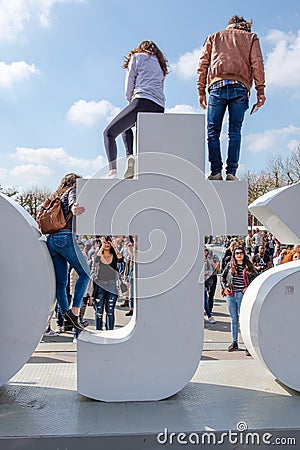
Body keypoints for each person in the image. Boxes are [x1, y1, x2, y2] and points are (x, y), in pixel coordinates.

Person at [197, 15, 266, 181]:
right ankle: (231, 173)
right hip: (240, 88)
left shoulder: (214, 37)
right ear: (245, 27)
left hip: (216, 87)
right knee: (234, 132)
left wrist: (201, 90)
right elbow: (257, 63)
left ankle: (215, 172)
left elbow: (203, 64)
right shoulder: (251, 38)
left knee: (213, 132)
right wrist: (260, 90)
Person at [103, 40, 168, 179]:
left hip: (141, 101)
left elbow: (129, 81)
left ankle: (114, 171)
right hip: (158, 106)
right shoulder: (161, 66)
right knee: (127, 127)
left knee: (109, 133)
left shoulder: (137, 57)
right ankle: (132, 158)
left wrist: (130, 100)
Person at [46, 173, 90, 331]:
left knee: (61, 283)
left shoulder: (55, 196)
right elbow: (73, 201)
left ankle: (66, 318)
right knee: (85, 273)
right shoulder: (72, 190)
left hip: (51, 240)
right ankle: (75, 312)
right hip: (65, 236)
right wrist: (74, 208)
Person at [221, 246, 257, 352]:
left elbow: (256, 278)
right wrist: (225, 288)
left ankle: (248, 345)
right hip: (231, 295)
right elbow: (222, 277)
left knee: (244, 320)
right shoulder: (230, 265)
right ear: (234, 255)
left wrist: (248, 287)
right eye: (237, 253)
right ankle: (234, 342)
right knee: (234, 319)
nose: (239, 255)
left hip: (243, 296)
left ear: (244, 254)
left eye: (241, 253)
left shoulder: (248, 266)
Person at [91, 236, 123, 330]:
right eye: (105, 243)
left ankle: (110, 331)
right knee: (99, 311)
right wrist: (102, 244)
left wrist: (114, 245)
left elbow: (120, 259)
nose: (107, 245)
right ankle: (99, 331)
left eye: (109, 243)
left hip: (112, 285)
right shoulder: (99, 254)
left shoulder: (114, 255)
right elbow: (96, 259)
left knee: (110, 311)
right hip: (100, 285)